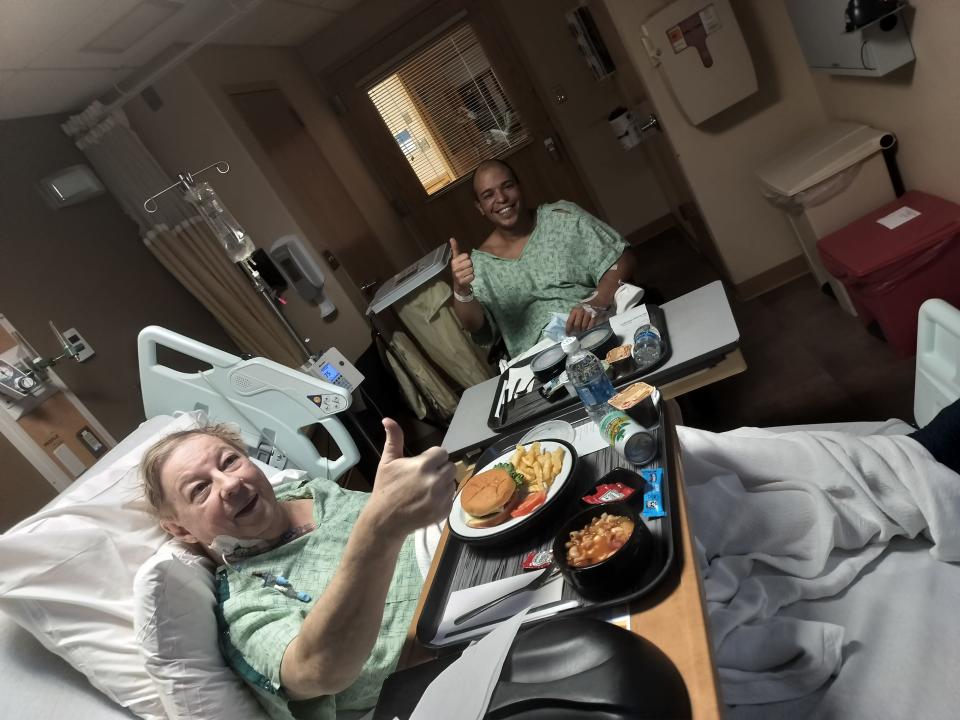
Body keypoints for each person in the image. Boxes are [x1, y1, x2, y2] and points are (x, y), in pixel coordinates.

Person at [140, 418, 455, 720]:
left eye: (229, 461)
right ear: (181, 531)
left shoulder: (308, 490)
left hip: (464, 547)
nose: (231, 483)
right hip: (444, 661)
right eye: (199, 489)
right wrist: (379, 528)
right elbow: (318, 669)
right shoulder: (244, 602)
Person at [449, 158, 638, 358]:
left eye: (507, 186)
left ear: (520, 188)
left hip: (595, 331)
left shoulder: (564, 217)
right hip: (540, 361)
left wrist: (596, 302)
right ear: (480, 207)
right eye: (488, 195)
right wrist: (461, 289)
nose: (502, 198)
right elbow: (475, 326)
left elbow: (623, 258)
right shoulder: (480, 265)